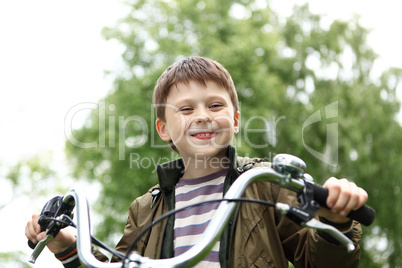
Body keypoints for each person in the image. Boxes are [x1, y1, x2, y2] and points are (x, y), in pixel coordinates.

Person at [26, 56, 368, 267]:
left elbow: (321, 261)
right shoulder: (146, 208)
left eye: (215, 106)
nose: (202, 116)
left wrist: (334, 221)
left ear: (234, 120)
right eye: (186, 109)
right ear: (164, 129)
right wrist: (69, 245)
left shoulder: (263, 184)